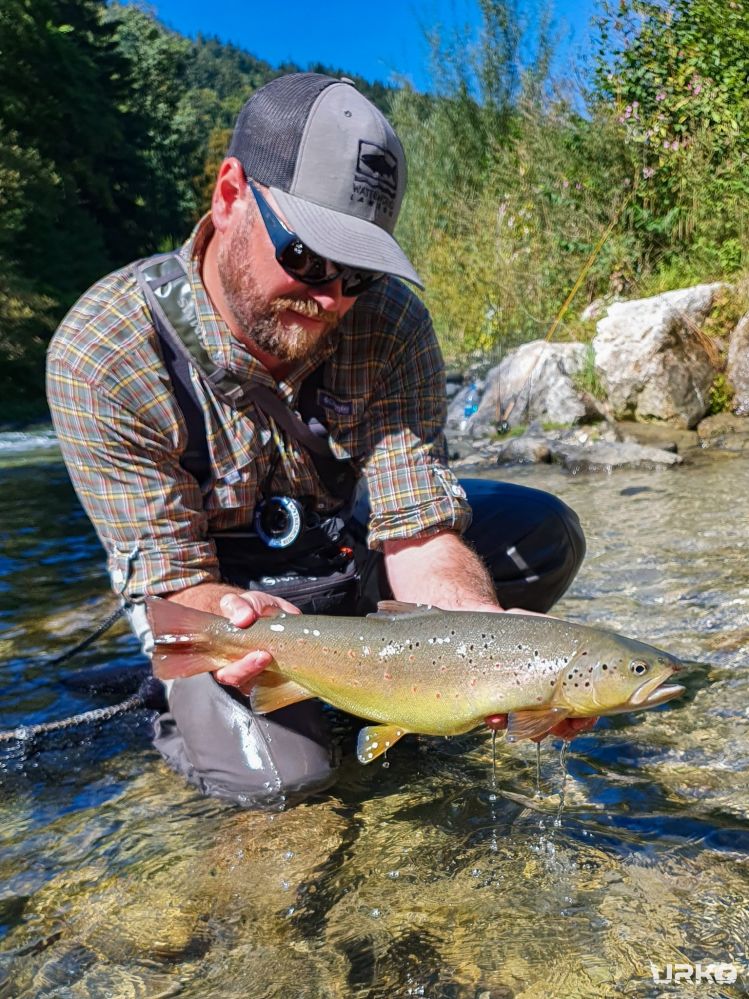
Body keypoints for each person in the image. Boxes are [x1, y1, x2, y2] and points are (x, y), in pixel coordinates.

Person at [47, 73, 590, 807]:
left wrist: (486, 643)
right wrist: (232, 625)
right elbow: (176, 579)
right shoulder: (106, 353)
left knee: (541, 531)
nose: (331, 295)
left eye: (358, 270)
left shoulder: (390, 323)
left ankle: (384, 682)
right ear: (230, 194)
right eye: (305, 255)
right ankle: (191, 702)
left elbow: (417, 529)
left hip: (340, 557)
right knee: (287, 779)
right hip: (218, 593)